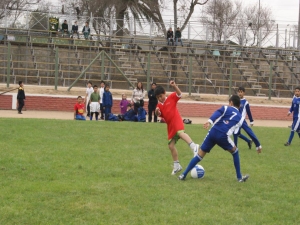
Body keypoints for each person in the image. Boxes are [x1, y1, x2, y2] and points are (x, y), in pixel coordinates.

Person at [178, 95, 260, 182]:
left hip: (213, 132)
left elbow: (217, 113)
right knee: (235, 152)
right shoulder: (241, 118)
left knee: (200, 155)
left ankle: (183, 174)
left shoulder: (225, 108)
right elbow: (248, 130)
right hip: (223, 136)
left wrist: (210, 121)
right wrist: (258, 145)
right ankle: (239, 178)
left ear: (231, 102)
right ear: (239, 106)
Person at [154, 80, 199, 175]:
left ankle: (194, 146)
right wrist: (157, 112)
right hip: (170, 126)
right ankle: (177, 165)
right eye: (158, 98)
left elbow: (179, 94)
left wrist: (174, 86)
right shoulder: (159, 105)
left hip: (176, 121)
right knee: (170, 145)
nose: (160, 99)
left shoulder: (171, 97)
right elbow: (159, 114)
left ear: (164, 93)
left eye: (161, 96)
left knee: (180, 133)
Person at [233, 87, 262, 152]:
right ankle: (238, 146)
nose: (240, 93)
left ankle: (258, 144)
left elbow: (248, 112)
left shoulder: (245, 102)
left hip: (242, 120)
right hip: (237, 120)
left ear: (244, 93)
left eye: (241, 92)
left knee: (249, 132)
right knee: (236, 133)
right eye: (239, 92)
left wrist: (251, 121)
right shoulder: (236, 100)